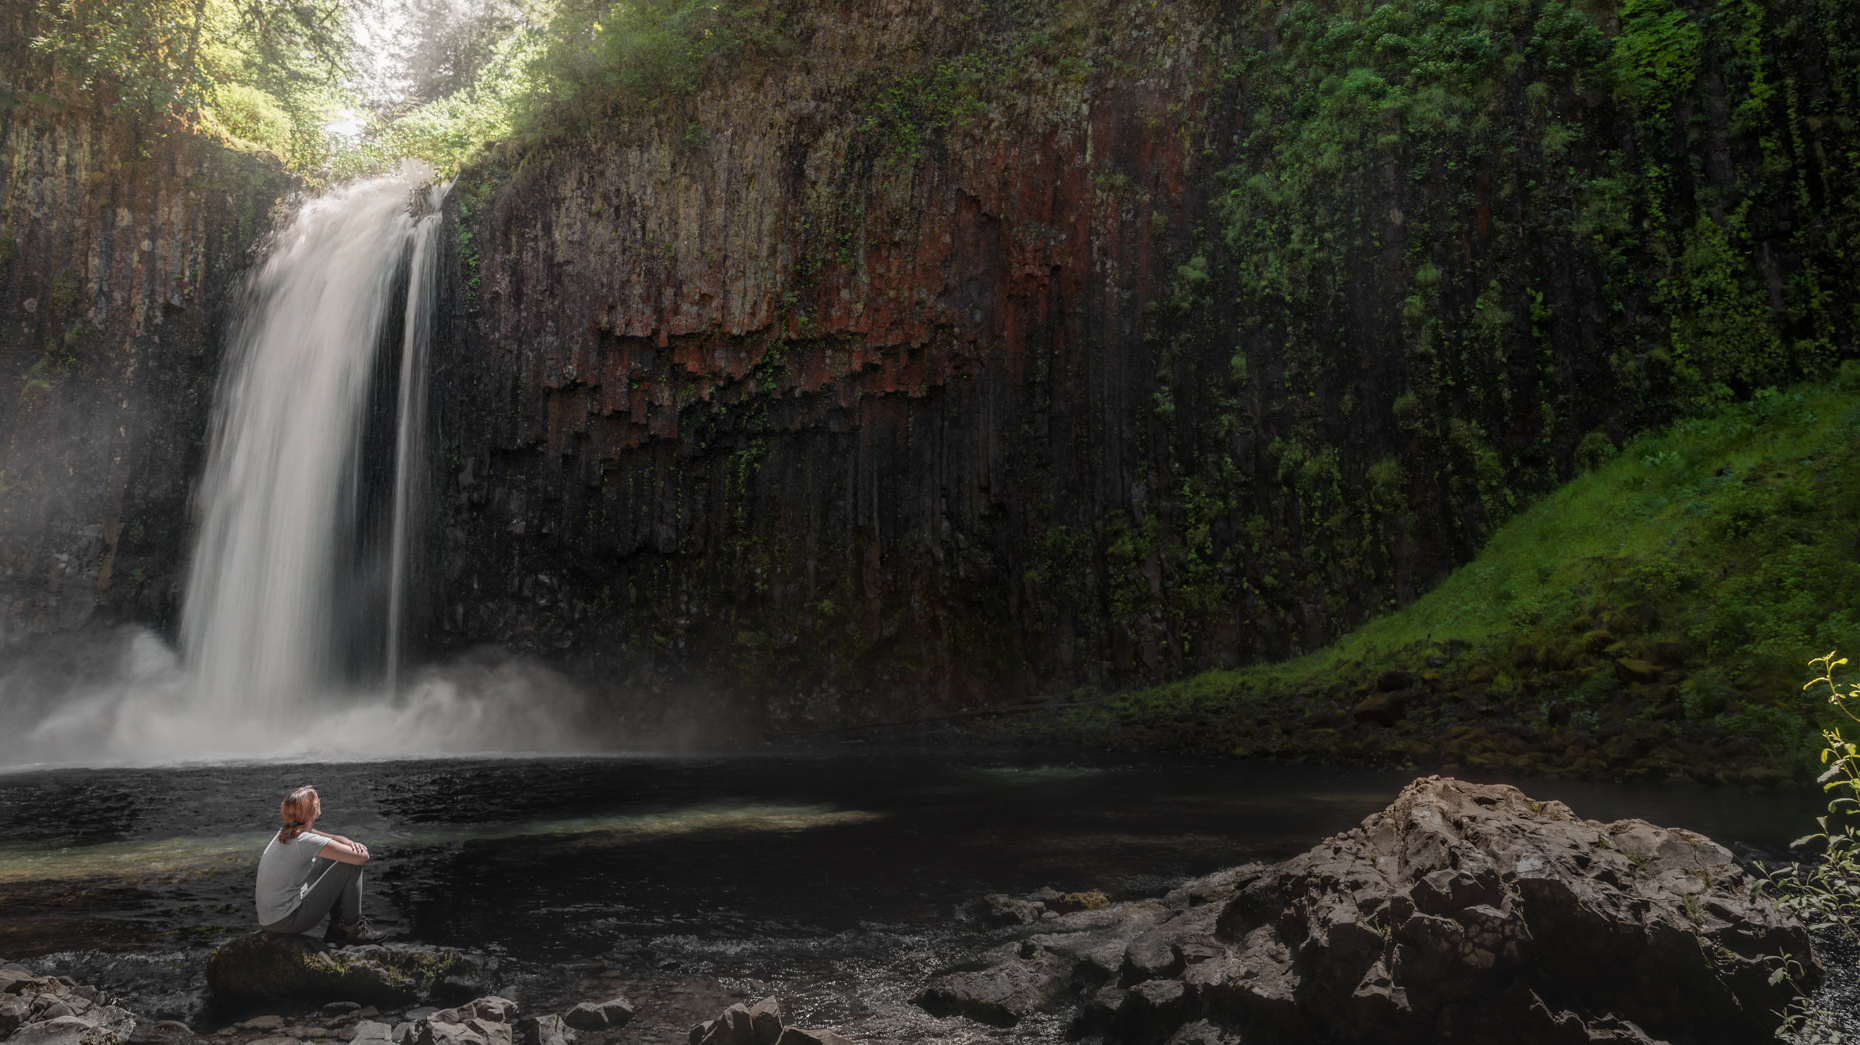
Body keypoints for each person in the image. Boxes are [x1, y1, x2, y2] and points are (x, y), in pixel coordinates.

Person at [254, 785, 384, 943]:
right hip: (286, 921)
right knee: (351, 865)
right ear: (311, 809)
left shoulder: (289, 831)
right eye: (317, 800)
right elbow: (361, 858)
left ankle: (337, 927)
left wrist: (349, 842)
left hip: (271, 919)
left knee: (333, 857)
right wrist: (356, 848)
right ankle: (353, 931)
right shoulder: (304, 841)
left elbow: (334, 838)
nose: (320, 801)